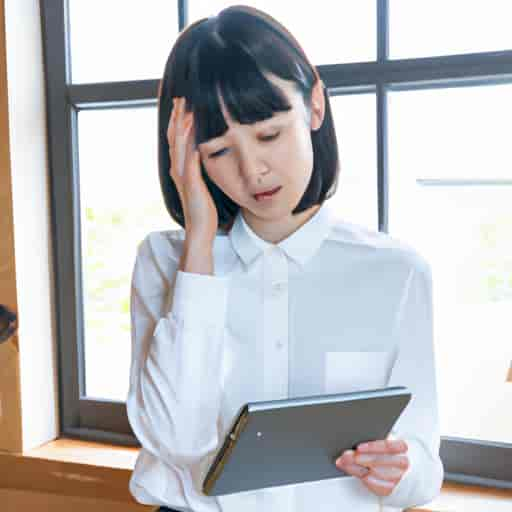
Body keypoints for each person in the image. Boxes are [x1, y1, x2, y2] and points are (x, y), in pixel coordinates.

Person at [125, 5, 444, 512]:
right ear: (188, 154)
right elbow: (176, 440)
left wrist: (400, 471)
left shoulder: (397, 272)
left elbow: (424, 467)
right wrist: (201, 240)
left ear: (315, 105)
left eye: (269, 134)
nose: (254, 170)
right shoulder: (166, 261)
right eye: (219, 151)